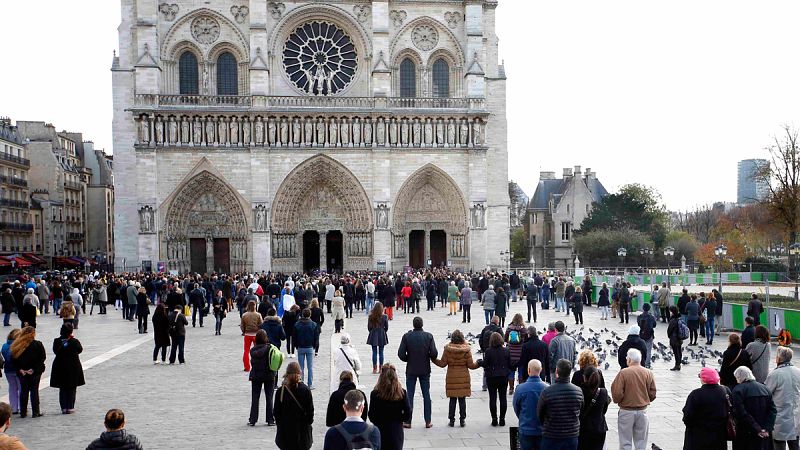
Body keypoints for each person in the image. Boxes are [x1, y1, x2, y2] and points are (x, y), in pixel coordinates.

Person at [611, 348, 657, 450]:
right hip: (642, 411)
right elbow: (653, 393)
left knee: (625, 441)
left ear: (629, 360)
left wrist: (619, 400)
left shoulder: (623, 373)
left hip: (626, 410)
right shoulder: (648, 372)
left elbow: (617, 393)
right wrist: (644, 398)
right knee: (641, 442)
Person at [433, 329, 480, 427]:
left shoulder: (448, 349)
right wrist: (479, 363)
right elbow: (471, 365)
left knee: (453, 399)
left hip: (451, 377)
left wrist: (433, 359)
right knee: (462, 400)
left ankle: (451, 420)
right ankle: (462, 420)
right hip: (464, 378)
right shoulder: (466, 350)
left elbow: (442, 364)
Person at [397, 316, 437, 428]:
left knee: (409, 395)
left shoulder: (407, 336)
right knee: (426, 395)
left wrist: (408, 358)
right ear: (422, 325)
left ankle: (408, 421)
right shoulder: (429, 336)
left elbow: (400, 354)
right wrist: (427, 356)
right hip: (425, 369)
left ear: (413, 325)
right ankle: (428, 421)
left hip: (411, 369)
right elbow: (434, 353)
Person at [537, 359, 584, 450]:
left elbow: (540, 414)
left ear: (557, 372)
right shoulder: (578, 391)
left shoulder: (547, 391)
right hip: (571, 435)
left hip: (551, 434)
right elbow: (580, 411)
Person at [682, 367, 730, 450]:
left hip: (699, 435)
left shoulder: (696, 394)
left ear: (704, 379)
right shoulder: (725, 391)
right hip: (719, 434)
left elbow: (688, 416)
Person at [731, 366, 776, 450]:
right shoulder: (765, 388)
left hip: (746, 432)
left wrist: (757, 429)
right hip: (765, 432)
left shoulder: (738, 390)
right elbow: (773, 410)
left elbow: (741, 413)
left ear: (740, 377)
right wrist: (766, 428)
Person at [369, 364, 412, 450]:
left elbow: (371, 416)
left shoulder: (375, 394)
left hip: (380, 430)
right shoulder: (402, 393)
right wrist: (399, 419)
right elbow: (408, 413)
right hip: (396, 431)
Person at [765, 346, 800, 450]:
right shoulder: (798, 371)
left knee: (779, 444)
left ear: (779, 358)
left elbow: (767, 392)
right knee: (794, 443)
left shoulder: (775, 374)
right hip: (795, 414)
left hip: (780, 415)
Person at [274, 361, 314, 450]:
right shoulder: (306, 390)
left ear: (287, 373)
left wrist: (280, 425)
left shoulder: (281, 391)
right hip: (302, 433)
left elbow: (276, 412)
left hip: (285, 433)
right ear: (299, 373)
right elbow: (310, 413)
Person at [10, 326, 45, 418]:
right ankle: (35, 412)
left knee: (24, 391)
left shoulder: (17, 345)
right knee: (34, 391)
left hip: (22, 372)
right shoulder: (37, 344)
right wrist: (33, 369)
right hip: (35, 371)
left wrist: (20, 369)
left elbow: (13, 359)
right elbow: (42, 358)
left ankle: (23, 412)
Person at [49, 323, 84, 414]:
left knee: (63, 388)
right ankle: (70, 407)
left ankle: (63, 407)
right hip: (73, 366)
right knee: (72, 388)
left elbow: (55, 351)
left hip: (60, 366)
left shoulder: (57, 341)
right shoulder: (74, 341)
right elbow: (80, 350)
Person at [478, 332, 511, 426]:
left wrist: (480, 362)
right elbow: (510, 363)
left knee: (492, 398)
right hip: (503, 376)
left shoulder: (488, 351)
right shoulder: (506, 350)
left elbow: (485, 364)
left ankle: (494, 419)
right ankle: (502, 419)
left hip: (491, 377)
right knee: (503, 398)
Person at [514, 359, 548, 450]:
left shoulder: (520, 388)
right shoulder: (547, 388)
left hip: (526, 428)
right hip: (542, 429)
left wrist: (522, 417)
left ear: (528, 370)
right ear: (540, 370)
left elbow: (516, 408)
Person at [248, 330, 276, 426]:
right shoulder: (270, 349)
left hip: (256, 375)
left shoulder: (253, 351)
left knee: (255, 397)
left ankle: (253, 419)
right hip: (269, 375)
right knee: (269, 397)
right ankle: (270, 419)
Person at [578, 366, 610, 450]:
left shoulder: (579, 391)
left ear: (584, 377)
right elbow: (604, 410)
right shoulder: (603, 392)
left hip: (583, 428)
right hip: (599, 427)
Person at [295, 308, 318, 389]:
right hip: (309, 347)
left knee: (300, 367)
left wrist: (296, 345)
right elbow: (316, 337)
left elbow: (294, 336)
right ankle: (310, 384)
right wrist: (315, 346)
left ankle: (301, 382)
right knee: (310, 367)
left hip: (300, 347)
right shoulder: (314, 324)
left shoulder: (297, 324)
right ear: (310, 315)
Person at [240, 301, 263, 371]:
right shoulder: (258, 315)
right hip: (256, 334)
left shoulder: (244, 315)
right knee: (258, 350)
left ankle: (247, 367)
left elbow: (242, 325)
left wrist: (244, 331)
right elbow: (261, 324)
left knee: (246, 351)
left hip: (247, 334)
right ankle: (258, 366)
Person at [367, 302, 389, 373]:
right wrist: (383, 331)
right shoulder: (384, 316)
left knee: (374, 352)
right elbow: (387, 327)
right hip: (382, 334)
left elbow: (369, 327)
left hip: (373, 334)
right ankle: (381, 368)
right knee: (381, 352)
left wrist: (372, 331)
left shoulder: (371, 316)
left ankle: (374, 368)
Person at [2, 330, 20, 414]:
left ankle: (14, 407)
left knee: (12, 389)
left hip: (8, 370)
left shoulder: (4, 346)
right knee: (21, 389)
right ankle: (21, 406)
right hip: (18, 369)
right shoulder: (18, 345)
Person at [637, 304, 657, 368]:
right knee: (648, 350)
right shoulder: (651, 317)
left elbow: (638, 324)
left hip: (641, 335)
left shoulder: (639, 316)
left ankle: (641, 362)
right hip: (649, 335)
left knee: (641, 349)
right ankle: (647, 364)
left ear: (643, 308)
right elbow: (654, 325)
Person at [667, 306, 684, 371]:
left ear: (672, 312)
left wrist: (669, 336)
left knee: (676, 352)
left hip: (674, 338)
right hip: (680, 337)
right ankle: (679, 363)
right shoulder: (680, 318)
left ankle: (677, 365)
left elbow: (670, 330)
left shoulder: (673, 320)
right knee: (679, 351)